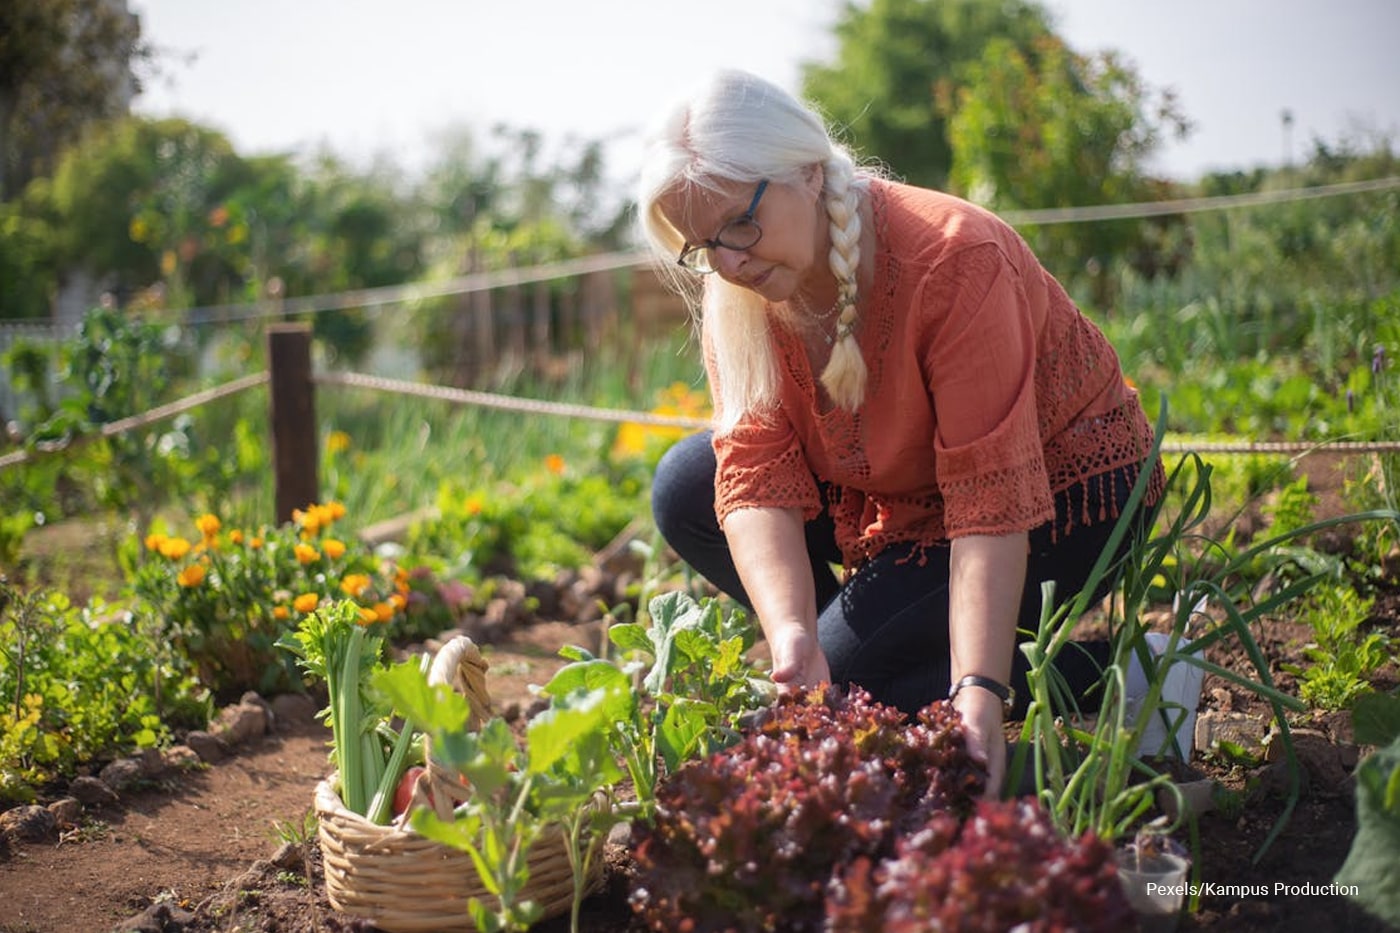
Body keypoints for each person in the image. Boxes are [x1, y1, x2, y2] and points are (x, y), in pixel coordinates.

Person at [637, 69, 1165, 794]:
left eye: (738, 223)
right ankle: (866, 658)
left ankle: (1131, 674)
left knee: (855, 680)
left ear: (811, 174)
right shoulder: (742, 289)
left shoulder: (954, 258)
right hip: (909, 490)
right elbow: (754, 468)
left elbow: (990, 501)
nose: (728, 262)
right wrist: (793, 633)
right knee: (687, 485)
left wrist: (978, 687)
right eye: (702, 245)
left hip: (1066, 489)